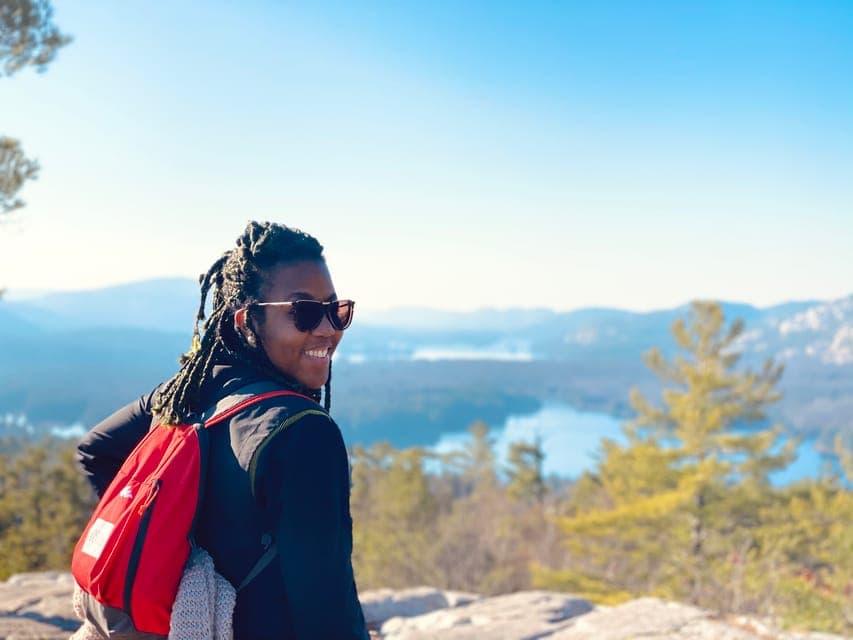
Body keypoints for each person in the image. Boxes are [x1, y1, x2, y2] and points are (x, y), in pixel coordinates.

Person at [76, 221, 370, 640]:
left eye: (335, 310)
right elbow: (327, 611)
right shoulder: (304, 433)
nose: (327, 328)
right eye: (303, 312)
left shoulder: (186, 393)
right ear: (248, 321)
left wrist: (169, 558)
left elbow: (96, 450)